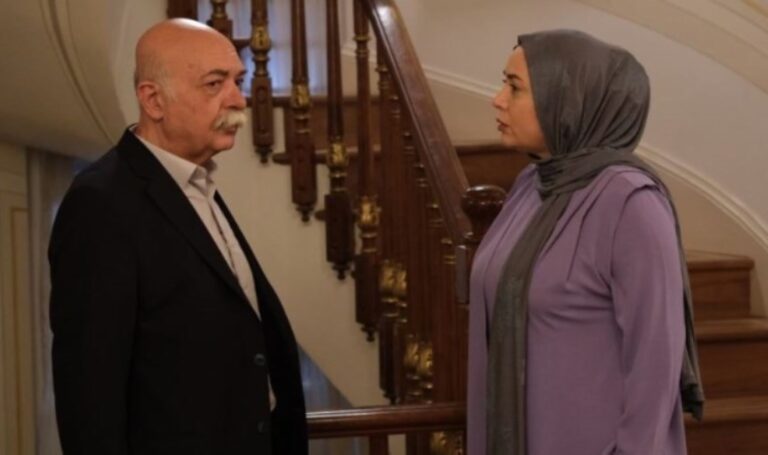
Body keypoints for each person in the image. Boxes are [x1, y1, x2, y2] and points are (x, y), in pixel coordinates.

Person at [48, 19, 307, 454]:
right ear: (154, 100)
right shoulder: (101, 202)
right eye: (214, 84)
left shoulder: (197, 184)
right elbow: (89, 393)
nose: (238, 100)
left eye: (238, 81)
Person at [467, 30, 704, 455]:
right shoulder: (531, 185)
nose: (497, 100)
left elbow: (655, 364)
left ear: (566, 99)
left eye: (515, 87)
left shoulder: (630, 202)